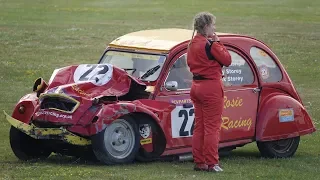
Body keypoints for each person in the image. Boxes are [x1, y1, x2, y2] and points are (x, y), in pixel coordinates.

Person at [187, 12, 232, 172]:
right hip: (211, 87)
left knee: (199, 126)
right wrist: (218, 42)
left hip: (196, 86)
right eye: (213, 25)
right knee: (212, 127)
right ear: (206, 27)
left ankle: (200, 162)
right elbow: (227, 60)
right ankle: (212, 163)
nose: (214, 28)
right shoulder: (210, 45)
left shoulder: (191, 44)